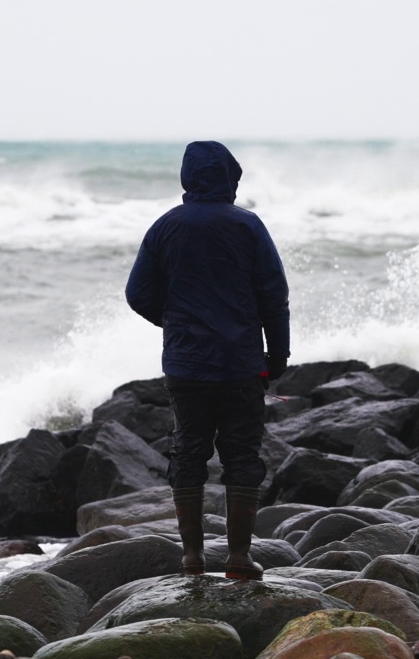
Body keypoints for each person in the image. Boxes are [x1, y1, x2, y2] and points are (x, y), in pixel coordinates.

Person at [125, 140, 290, 580]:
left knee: (188, 454)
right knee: (241, 455)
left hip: (186, 365)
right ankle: (238, 558)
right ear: (230, 177)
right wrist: (278, 353)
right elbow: (274, 296)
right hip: (241, 363)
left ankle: (192, 557)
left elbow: (137, 294)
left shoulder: (165, 227)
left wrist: (176, 323)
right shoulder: (248, 226)